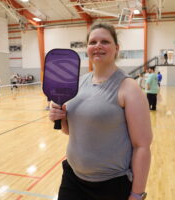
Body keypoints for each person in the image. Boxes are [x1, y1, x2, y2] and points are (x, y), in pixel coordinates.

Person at [50, 22, 152, 200]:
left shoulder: (129, 88)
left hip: (110, 185)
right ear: (87, 48)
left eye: (104, 41)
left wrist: (137, 195)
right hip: (72, 178)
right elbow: (70, 132)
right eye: (92, 42)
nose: (98, 46)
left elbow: (142, 146)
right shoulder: (78, 83)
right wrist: (60, 118)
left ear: (116, 48)